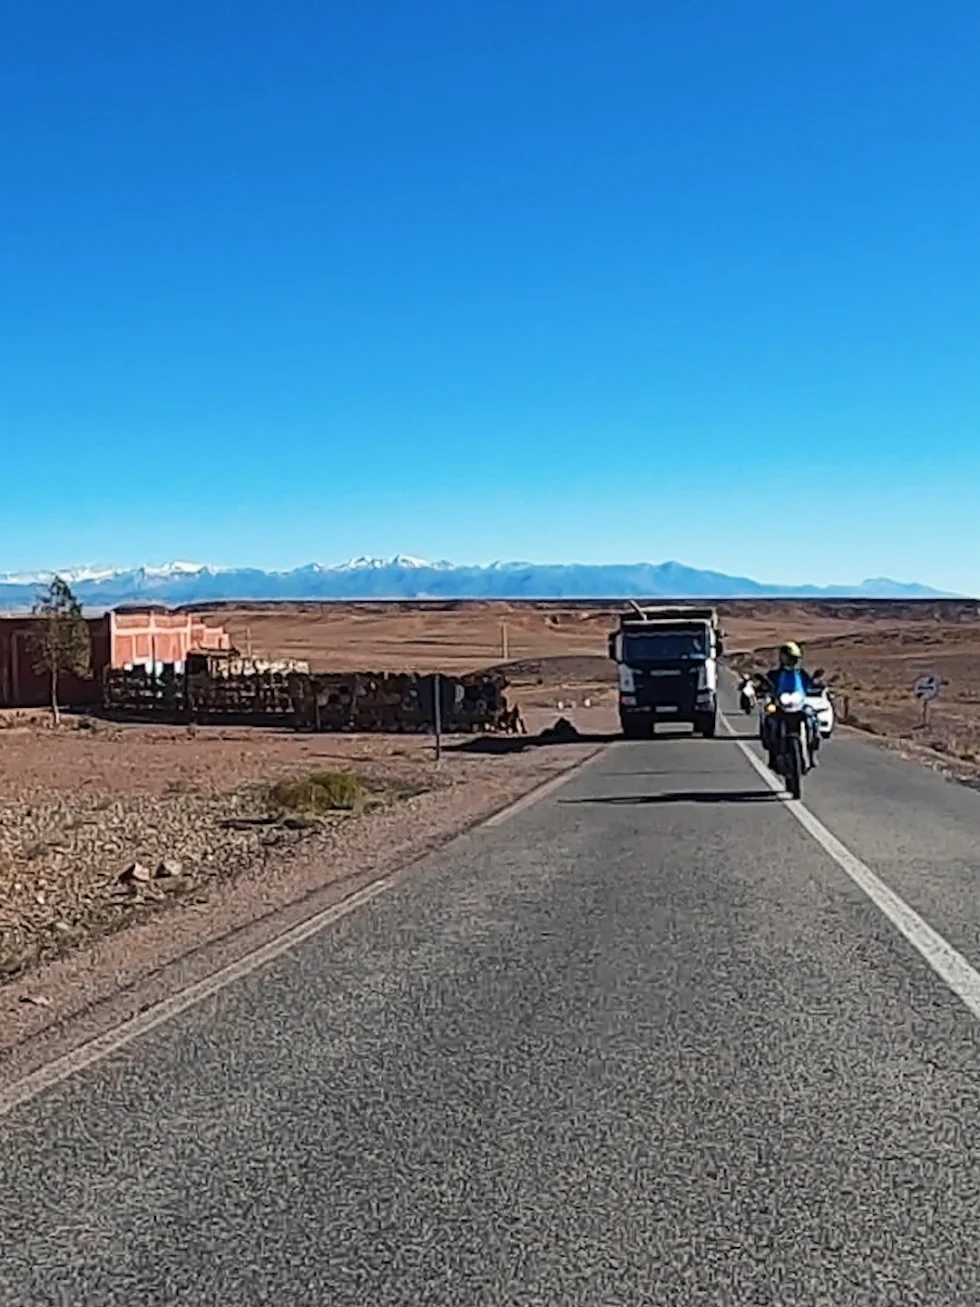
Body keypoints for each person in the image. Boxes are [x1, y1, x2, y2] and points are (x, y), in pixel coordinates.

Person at [758, 642, 822, 766]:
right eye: (788, 658)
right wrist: (763, 685)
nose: (790, 661)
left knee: (812, 717)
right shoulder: (775, 674)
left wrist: (815, 683)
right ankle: (772, 754)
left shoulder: (801, 673)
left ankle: (811, 751)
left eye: (793, 659)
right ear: (782, 658)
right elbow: (766, 683)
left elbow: (809, 683)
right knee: (769, 717)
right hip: (781, 703)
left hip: (798, 703)